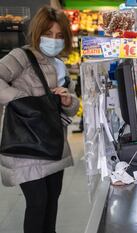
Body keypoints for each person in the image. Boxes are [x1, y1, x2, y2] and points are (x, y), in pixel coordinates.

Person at [0, 6, 79, 233]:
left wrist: (67, 102)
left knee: (52, 200)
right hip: (26, 145)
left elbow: (72, 106)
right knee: (37, 202)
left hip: (53, 144)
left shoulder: (61, 65)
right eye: (48, 34)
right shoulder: (21, 57)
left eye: (58, 36)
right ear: (37, 33)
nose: (53, 40)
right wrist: (23, 100)